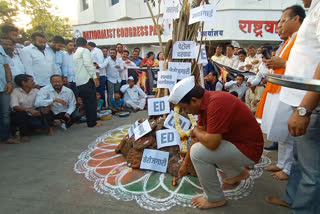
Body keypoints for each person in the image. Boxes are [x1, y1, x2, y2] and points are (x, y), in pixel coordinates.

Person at [167, 76, 264, 209]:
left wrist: (195, 131)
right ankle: (238, 174)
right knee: (202, 144)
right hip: (238, 145)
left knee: (199, 152)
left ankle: (214, 198)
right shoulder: (205, 104)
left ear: (194, 100)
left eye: (184, 108)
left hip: (249, 150)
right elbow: (197, 138)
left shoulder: (216, 103)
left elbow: (212, 143)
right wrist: (185, 163)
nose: (186, 112)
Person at [266, 1, 320, 212]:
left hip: (310, 102)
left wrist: (304, 109)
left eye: (282, 20)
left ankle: (304, 208)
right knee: (298, 160)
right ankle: (292, 198)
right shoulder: (314, 7)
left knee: (311, 170)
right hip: (300, 99)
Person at [256, 5, 305, 180]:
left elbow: (301, 65)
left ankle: (288, 167)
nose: (281, 25)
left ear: (296, 19)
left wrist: (282, 63)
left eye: (284, 20)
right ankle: (283, 163)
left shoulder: (302, 38)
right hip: (280, 88)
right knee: (281, 130)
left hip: (290, 90)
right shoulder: (290, 40)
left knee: (287, 131)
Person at [10, 74, 51, 142]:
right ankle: (24, 135)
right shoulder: (15, 92)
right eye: (32, 81)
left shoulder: (36, 91)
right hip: (20, 114)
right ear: (24, 83)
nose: (34, 82)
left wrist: (46, 107)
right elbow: (15, 106)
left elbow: (44, 101)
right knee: (21, 114)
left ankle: (46, 128)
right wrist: (28, 110)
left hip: (34, 113)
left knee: (44, 113)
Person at [73, 37, 101, 128]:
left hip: (79, 81)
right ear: (86, 44)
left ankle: (90, 121)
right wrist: (95, 77)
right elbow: (88, 64)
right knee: (91, 102)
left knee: (87, 102)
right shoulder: (85, 51)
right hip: (86, 80)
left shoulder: (76, 53)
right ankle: (92, 122)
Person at [0, 44, 16, 144]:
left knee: (5, 114)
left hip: (3, 87)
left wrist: (9, 82)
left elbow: (6, 67)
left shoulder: (0, 48)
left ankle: (6, 137)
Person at [88, 42, 107, 107]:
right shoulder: (91, 51)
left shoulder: (97, 51)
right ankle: (97, 107)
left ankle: (103, 106)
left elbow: (99, 63)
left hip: (99, 75)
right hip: (94, 75)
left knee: (100, 92)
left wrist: (97, 73)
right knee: (96, 92)